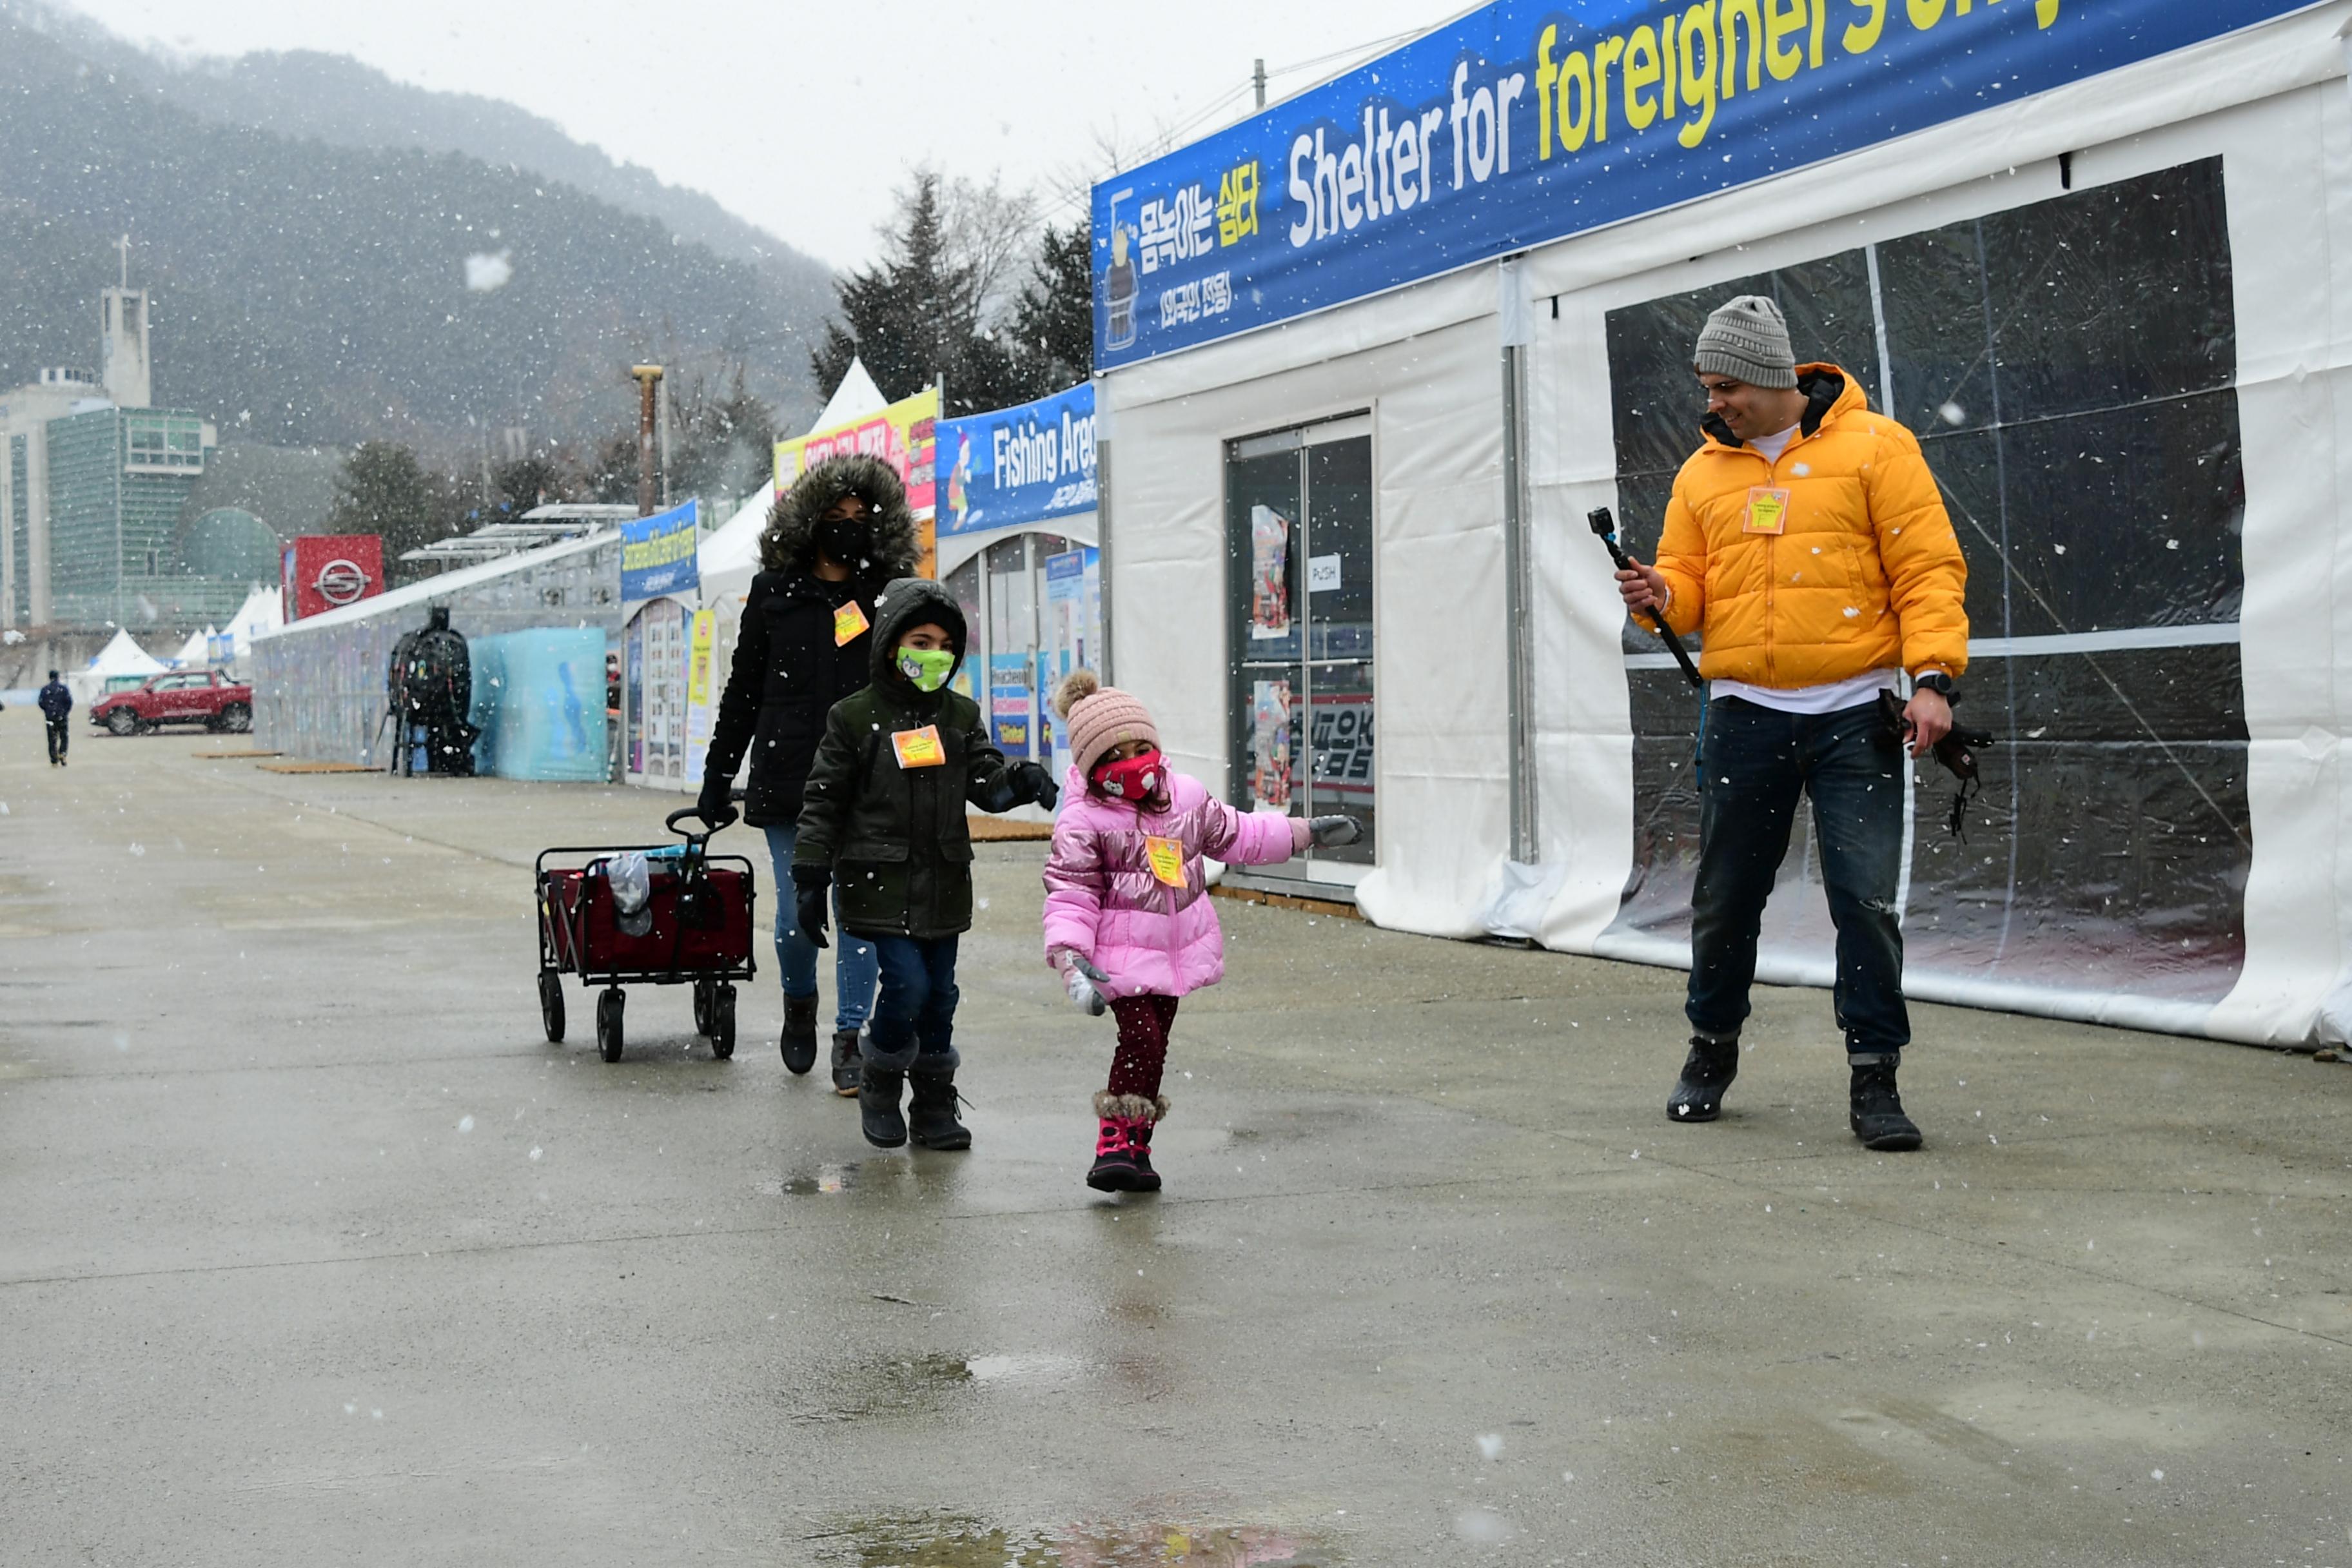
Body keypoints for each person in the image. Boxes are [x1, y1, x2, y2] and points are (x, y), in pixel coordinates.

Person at [1614, 294, 1968, 1152]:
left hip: (1857, 715)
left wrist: (1932, 681)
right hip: (1743, 715)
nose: (1716, 404)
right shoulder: (1702, 473)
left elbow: (1926, 571)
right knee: (1726, 900)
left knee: (1865, 901)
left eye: (1728, 385)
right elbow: (1694, 591)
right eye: (1708, 387)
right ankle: (1711, 1048)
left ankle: (1874, 1074)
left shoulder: (1879, 450)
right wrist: (1662, 594)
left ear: (1776, 377)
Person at [1040, 671, 1360, 1192]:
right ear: (1093, 765)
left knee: (1155, 1044)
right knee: (1140, 1036)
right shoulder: (1083, 820)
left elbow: (1238, 834)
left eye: (1144, 747)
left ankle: (1137, 1148)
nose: (1136, 761)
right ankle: (1112, 1145)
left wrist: (1305, 833)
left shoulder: (1183, 798)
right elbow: (1071, 894)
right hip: (1115, 956)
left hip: (1173, 950)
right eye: (1119, 754)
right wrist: (1073, 964)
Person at [789, 576, 1059, 1151]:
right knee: (907, 985)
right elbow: (823, 801)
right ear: (891, 643)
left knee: (941, 995)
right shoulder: (854, 718)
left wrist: (1018, 780)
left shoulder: (960, 715)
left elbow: (986, 779)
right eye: (921, 639)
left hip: (942, 882)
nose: (933, 654)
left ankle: (934, 1104)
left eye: (944, 644)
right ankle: (881, 1081)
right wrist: (810, 877)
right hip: (878, 882)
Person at [699, 455, 917, 1091]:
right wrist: (718, 775)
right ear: (810, 522)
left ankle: (851, 1034)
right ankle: (800, 1001)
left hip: (868, 777)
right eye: (835, 516)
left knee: (858, 914)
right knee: (800, 914)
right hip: (789, 776)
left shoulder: (886, 595)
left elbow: (914, 689)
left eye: (859, 517)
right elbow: (742, 691)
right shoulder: (773, 592)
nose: (847, 527)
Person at [37, 670, 72, 767]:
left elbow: (41, 703)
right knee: (64, 737)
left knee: (52, 739)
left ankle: (54, 760)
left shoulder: (45, 690)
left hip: (50, 718)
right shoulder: (64, 689)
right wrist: (64, 713)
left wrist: (48, 711)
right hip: (62, 717)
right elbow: (69, 702)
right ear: (58, 677)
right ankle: (63, 753)